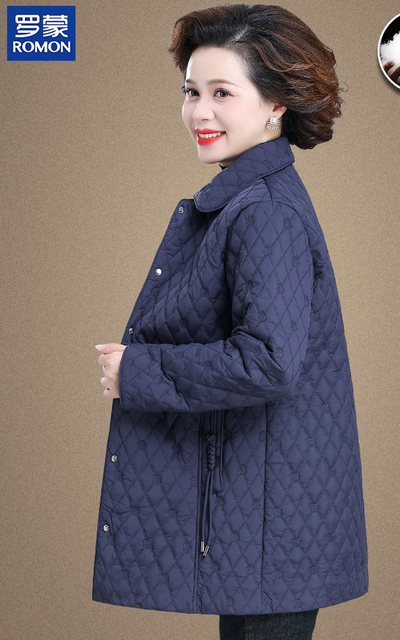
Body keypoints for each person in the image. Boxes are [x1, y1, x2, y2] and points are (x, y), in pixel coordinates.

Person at [92, 4, 368, 639]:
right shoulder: (249, 199)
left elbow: (268, 361)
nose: (200, 112)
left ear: (276, 104)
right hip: (266, 517)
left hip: (273, 523)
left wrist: (137, 371)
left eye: (222, 93)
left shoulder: (264, 210)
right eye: (191, 92)